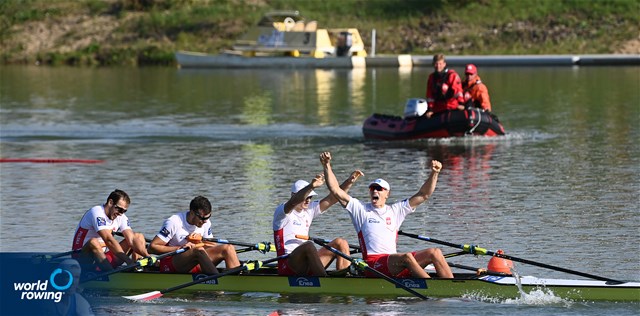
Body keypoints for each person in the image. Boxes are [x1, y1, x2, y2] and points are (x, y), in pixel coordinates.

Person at [320, 151, 454, 279]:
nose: (375, 191)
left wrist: (434, 173)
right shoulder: (360, 209)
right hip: (373, 264)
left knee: (435, 252)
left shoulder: (396, 210)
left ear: (387, 194)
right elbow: (335, 190)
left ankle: (452, 286)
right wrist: (327, 166)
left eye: (379, 189)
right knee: (406, 257)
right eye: (372, 188)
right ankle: (431, 286)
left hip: (394, 264)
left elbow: (424, 195)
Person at [273, 170, 364, 276]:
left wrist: (349, 182)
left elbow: (333, 198)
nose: (308, 200)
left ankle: (344, 278)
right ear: (294, 195)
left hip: (307, 261)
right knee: (309, 246)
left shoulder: (308, 210)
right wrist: (311, 186)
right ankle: (324, 281)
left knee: (341, 242)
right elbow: (294, 201)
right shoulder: (282, 212)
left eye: (310, 197)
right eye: (306, 197)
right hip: (288, 264)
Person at [148, 195, 241, 274]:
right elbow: (152, 247)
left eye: (208, 217)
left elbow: (212, 246)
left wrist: (200, 241)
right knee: (198, 250)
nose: (205, 221)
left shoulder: (206, 222)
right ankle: (219, 282)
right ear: (192, 213)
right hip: (172, 263)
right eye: (202, 218)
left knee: (228, 248)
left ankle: (237, 280)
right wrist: (180, 248)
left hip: (197, 262)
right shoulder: (174, 222)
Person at [71, 189, 150, 271]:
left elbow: (132, 240)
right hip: (82, 259)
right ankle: (111, 276)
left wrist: (147, 255)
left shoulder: (121, 217)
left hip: (102, 258)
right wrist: (128, 260)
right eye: (119, 209)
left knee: (138, 236)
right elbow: (108, 240)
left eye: (124, 211)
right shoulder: (97, 212)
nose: (120, 213)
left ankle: (137, 269)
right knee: (93, 242)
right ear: (110, 202)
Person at [425, 54, 464, 118]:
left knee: (444, 88)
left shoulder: (452, 75)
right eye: (436, 64)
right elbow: (430, 96)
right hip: (438, 109)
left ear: (444, 64)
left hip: (451, 106)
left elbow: (458, 91)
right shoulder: (431, 77)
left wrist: (461, 104)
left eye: (440, 64)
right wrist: (430, 109)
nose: (438, 66)